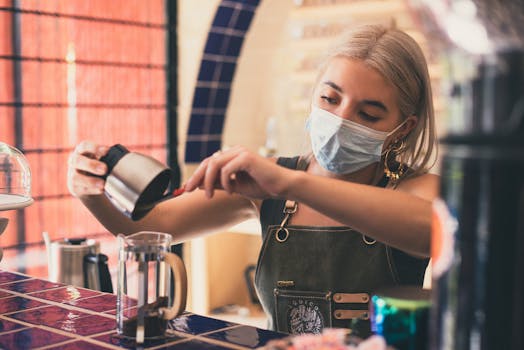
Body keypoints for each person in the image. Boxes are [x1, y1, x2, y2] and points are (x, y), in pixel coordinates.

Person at [67, 24, 439, 338]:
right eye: (329, 98)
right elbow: (150, 226)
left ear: (402, 129)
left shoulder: (413, 190)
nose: (341, 119)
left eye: (368, 114)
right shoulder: (270, 187)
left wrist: (290, 183)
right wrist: (91, 193)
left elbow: (430, 229)